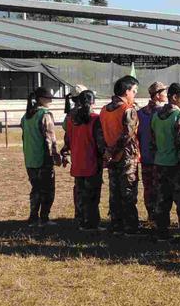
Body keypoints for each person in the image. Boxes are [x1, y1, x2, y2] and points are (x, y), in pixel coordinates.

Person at [151, 83, 180, 241]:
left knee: (162, 200)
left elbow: (153, 141)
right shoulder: (179, 117)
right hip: (177, 166)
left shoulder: (156, 116)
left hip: (160, 163)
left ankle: (161, 232)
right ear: (174, 98)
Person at [99, 75, 141, 236]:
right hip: (126, 157)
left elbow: (100, 134)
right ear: (126, 91)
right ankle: (131, 226)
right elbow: (127, 135)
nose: (134, 95)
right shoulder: (128, 110)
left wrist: (107, 151)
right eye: (134, 91)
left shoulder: (104, 110)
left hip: (111, 157)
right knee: (129, 191)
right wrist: (114, 150)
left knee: (115, 191)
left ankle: (116, 224)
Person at [61, 86, 103, 229]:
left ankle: (80, 221)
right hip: (92, 163)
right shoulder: (95, 119)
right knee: (92, 196)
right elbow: (100, 143)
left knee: (80, 194)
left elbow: (67, 141)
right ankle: (91, 223)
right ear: (93, 102)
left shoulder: (72, 120)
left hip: (78, 163)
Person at [20, 86, 60, 226]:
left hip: (30, 158)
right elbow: (50, 139)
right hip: (43, 158)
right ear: (41, 99)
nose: (50, 100)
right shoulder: (45, 115)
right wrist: (56, 156)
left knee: (35, 188)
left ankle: (33, 218)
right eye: (48, 97)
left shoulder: (26, 116)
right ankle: (44, 218)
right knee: (48, 190)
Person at [136, 81, 168, 223]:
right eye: (164, 92)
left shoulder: (140, 113)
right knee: (161, 189)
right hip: (161, 157)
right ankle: (160, 218)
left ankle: (151, 215)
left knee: (148, 188)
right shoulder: (163, 113)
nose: (166, 95)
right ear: (158, 95)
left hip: (145, 157)